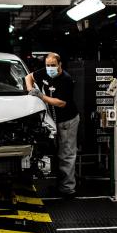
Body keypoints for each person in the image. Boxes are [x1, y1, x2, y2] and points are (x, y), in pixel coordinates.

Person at [25, 52, 80, 198]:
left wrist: (40, 96)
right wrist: (30, 89)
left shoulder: (66, 80)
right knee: (57, 153)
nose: (50, 68)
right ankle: (60, 185)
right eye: (48, 65)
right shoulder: (45, 72)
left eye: (53, 66)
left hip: (67, 121)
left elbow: (61, 103)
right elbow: (28, 77)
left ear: (60, 65)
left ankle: (68, 189)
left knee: (66, 154)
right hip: (53, 120)